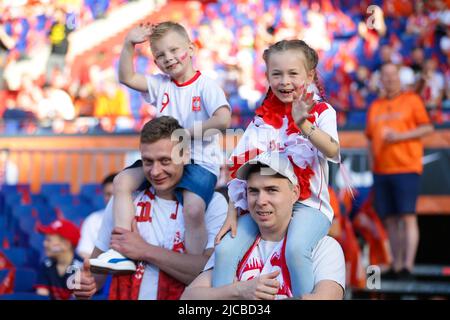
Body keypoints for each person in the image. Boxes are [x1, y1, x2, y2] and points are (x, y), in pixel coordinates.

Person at [91, 21, 231, 272]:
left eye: (174, 50)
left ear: (191, 48)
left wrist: (184, 135)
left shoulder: (205, 86)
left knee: (194, 207)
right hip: (164, 158)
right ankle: (120, 251)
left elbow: (222, 120)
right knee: (122, 182)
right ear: (155, 62)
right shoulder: (160, 84)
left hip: (200, 161)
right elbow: (126, 77)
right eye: (160, 55)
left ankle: (194, 266)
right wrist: (128, 44)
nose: (168, 58)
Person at [213, 39, 341, 298]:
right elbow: (239, 166)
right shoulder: (261, 119)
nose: (284, 81)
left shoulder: (322, 111)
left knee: (295, 249)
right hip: (265, 203)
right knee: (225, 249)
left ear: (310, 75)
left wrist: (303, 123)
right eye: (276, 74)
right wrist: (232, 211)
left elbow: (333, 150)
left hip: (308, 205)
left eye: (293, 73)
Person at [76, 116, 227, 300]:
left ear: (184, 155)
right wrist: (85, 283)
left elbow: (211, 274)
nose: (155, 171)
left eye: (165, 161)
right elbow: (96, 275)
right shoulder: (125, 198)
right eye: (148, 161)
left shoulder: (212, 203)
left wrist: (143, 250)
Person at [181, 151, 345, 300]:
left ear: (295, 193)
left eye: (271, 190)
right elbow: (188, 297)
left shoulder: (324, 248)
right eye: (253, 191)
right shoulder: (233, 244)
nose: (260, 201)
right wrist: (239, 290)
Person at [365, 62, 434, 279]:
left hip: (406, 166)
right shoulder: (375, 106)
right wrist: (371, 164)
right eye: (385, 75)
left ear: (399, 77)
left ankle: (407, 266)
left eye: (393, 74)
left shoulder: (411, 100)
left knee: (407, 216)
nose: (390, 79)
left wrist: (400, 136)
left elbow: (427, 127)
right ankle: (395, 265)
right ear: (381, 80)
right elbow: (369, 139)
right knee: (391, 219)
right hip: (381, 170)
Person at [35, 219, 82, 300]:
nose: (44, 244)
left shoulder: (80, 268)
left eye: (49, 240)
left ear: (66, 245)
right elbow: (41, 296)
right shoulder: (46, 265)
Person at [76, 173, 116, 259]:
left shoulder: (138, 217)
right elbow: (84, 252)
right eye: (108, 194)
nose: (112, 198)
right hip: (99, 270)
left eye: (116, 194)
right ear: (103, 195)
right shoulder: (92, 220)